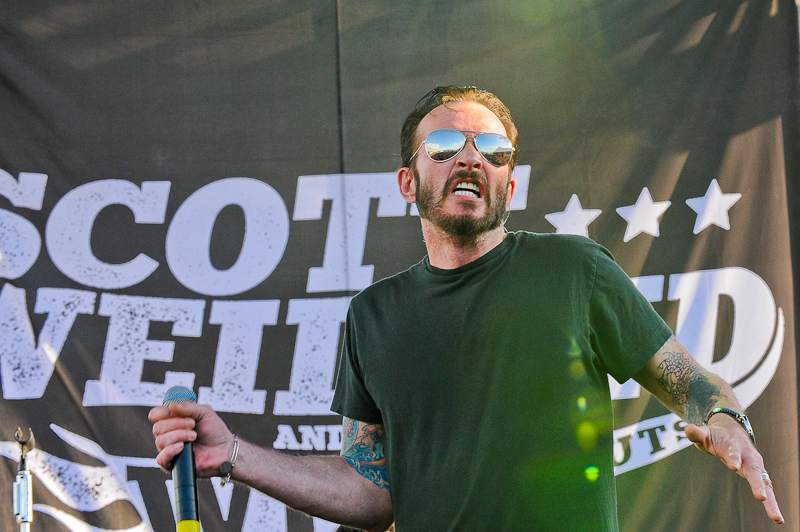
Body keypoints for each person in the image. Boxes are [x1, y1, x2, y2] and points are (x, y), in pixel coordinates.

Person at [150, 86, 784, 531]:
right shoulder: (374, 314)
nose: (472, 157)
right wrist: (233, 454)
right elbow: (372, 492)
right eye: (448, 143)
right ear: (408, 181)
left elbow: (689, 380)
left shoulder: (575, 270)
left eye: (494, 149)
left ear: (511, 179)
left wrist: (726, 418)